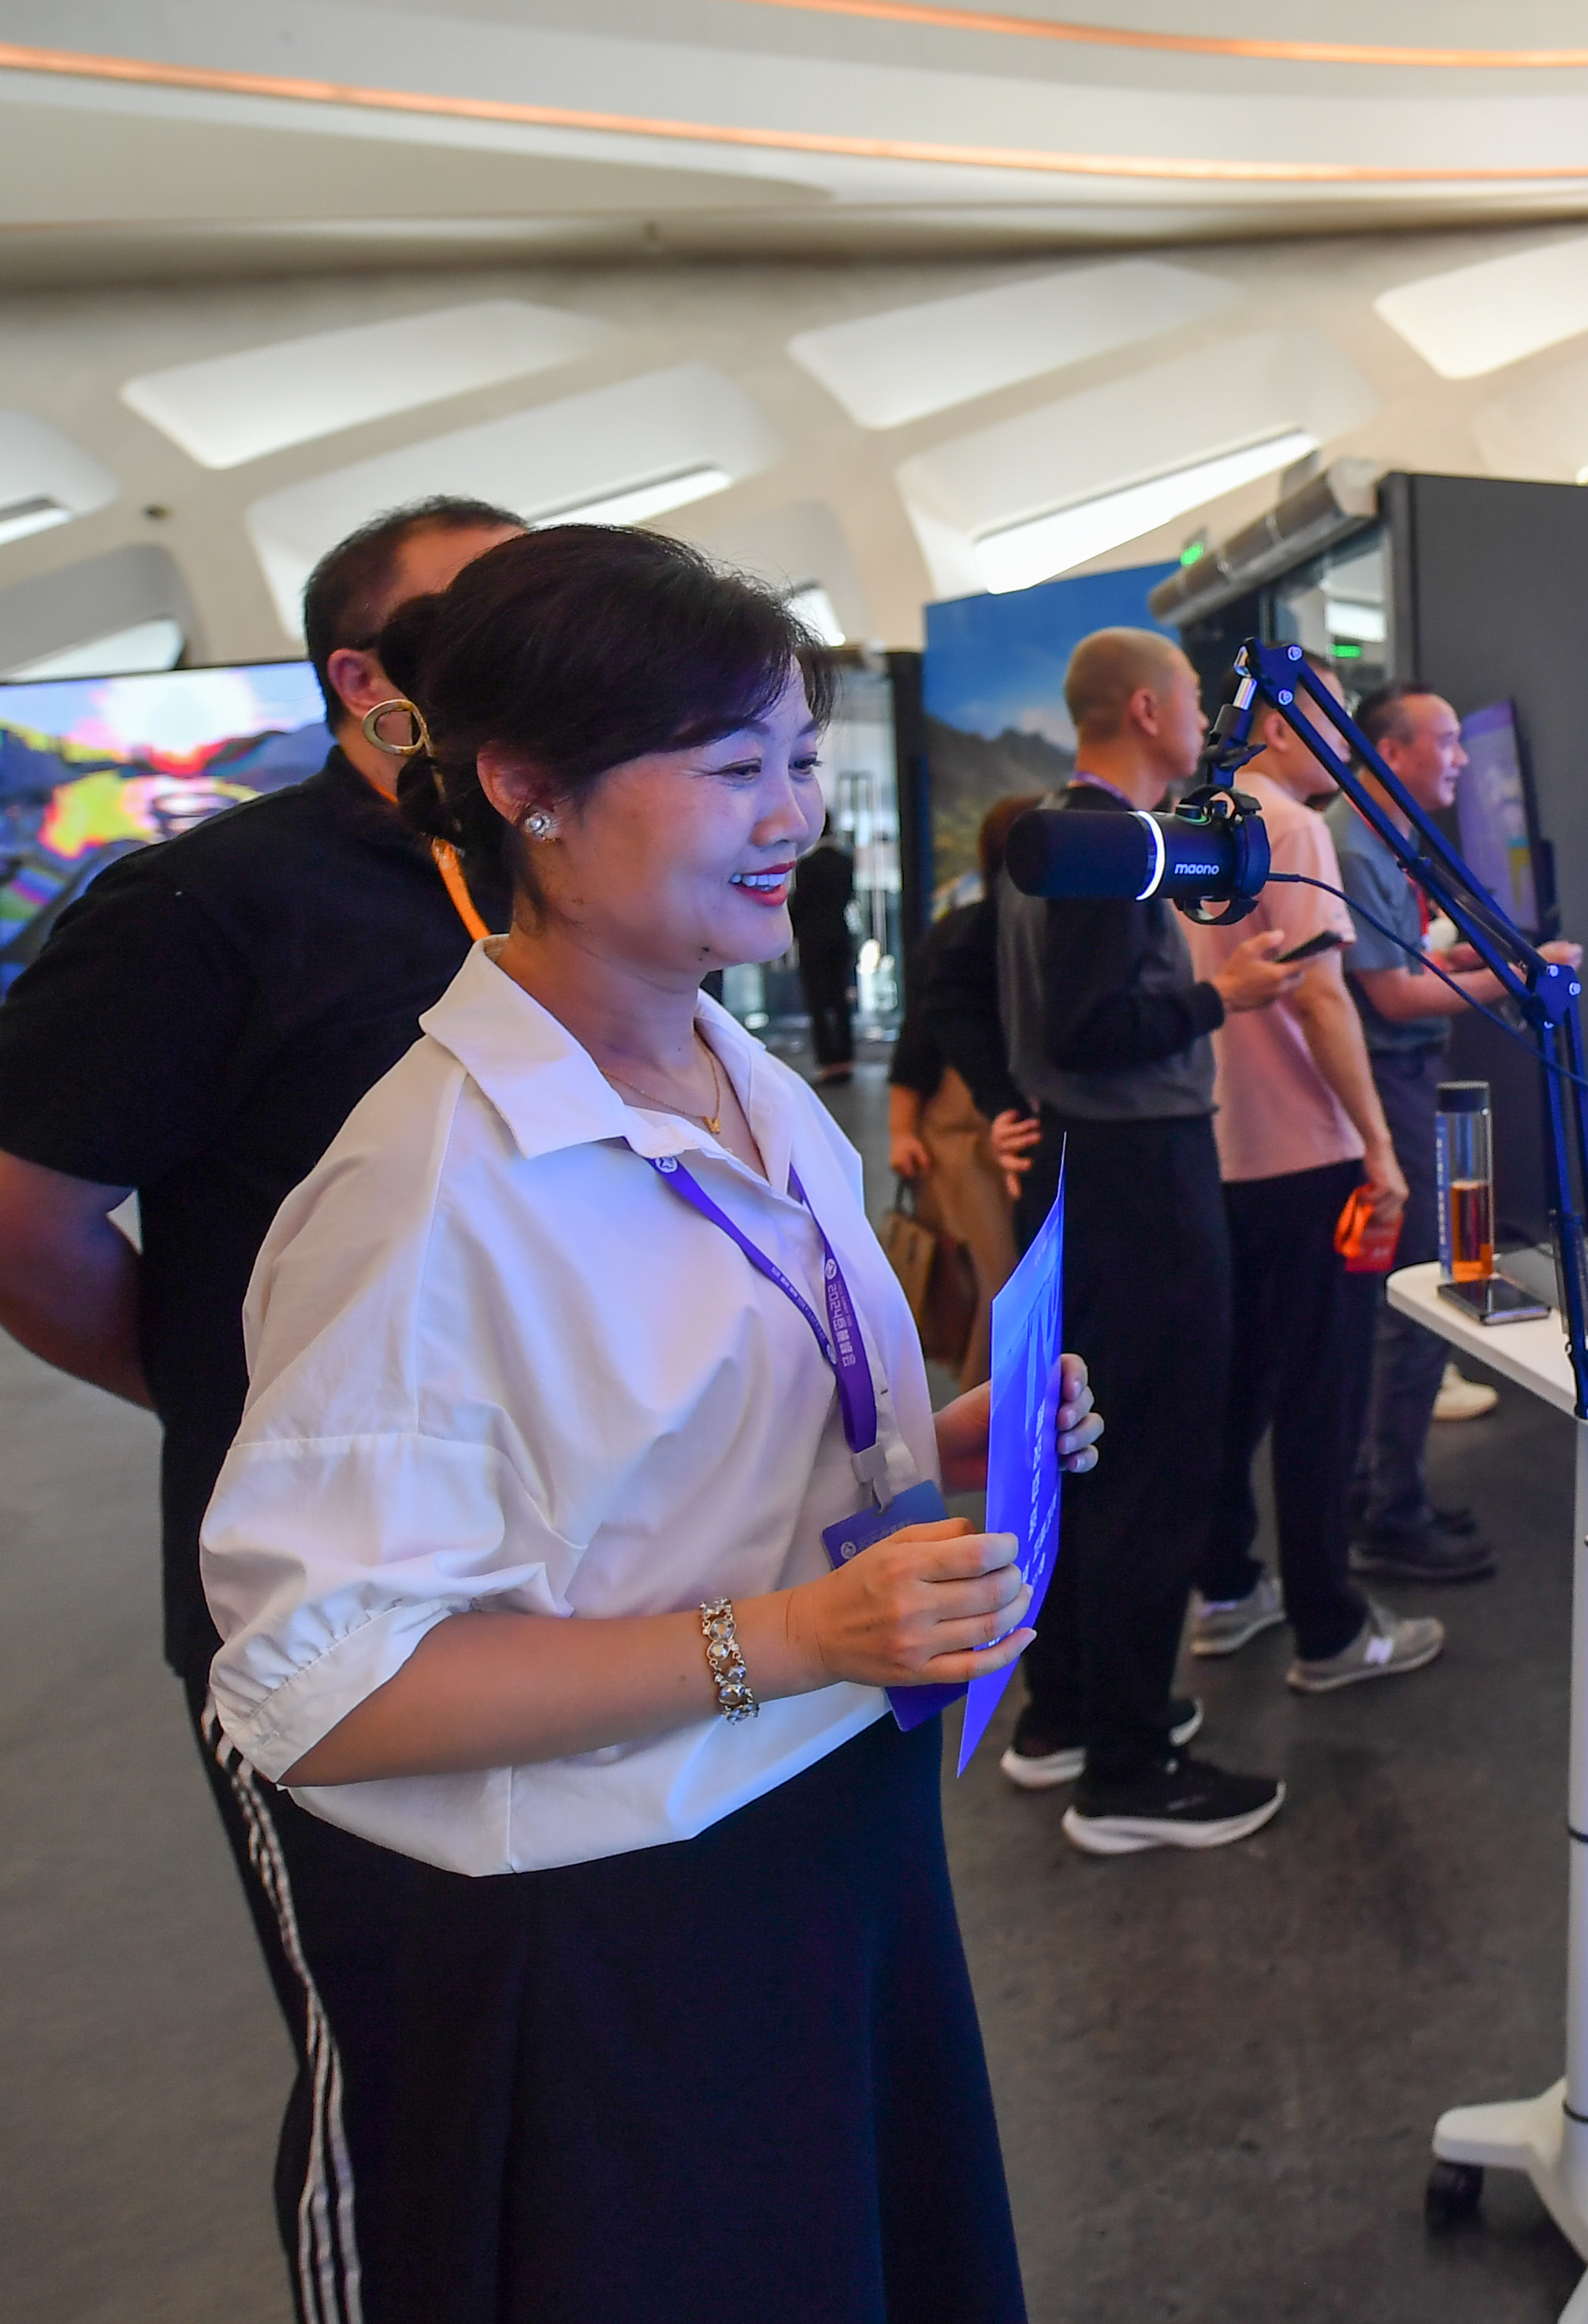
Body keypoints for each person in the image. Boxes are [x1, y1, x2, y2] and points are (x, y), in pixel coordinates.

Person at [197, 523, 1100, 2318]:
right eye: (731, 766)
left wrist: (940, 1437)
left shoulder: (729, 1062)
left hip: (833, 1829)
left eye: (798, 760)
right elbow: (324, 1690)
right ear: (526, 786)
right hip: (635, 1918)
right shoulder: (431, 1189)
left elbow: (685, 1443)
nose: (795, 816)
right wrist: (788, 1634)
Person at [0, 492, 519, 2319]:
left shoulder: (544, 880)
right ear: (368, 679)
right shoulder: (210, 902)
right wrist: (233, 1397)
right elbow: (28, 1216)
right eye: (481, 618)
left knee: (545, 2037)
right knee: (400, 2068)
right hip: (323, 1604)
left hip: (553, 1572)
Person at [993, 626, 1310, 1854]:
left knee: (1084, 1459)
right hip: (1139, 1176)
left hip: (1086, 1169)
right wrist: (1222, 995)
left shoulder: (1055, 833)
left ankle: (1073, 1714)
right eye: (1193, 699)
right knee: (1150, 1465)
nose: (1209, 723)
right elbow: (1091, 1024)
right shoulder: (1109, 847)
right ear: (1143, 709)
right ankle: (1129, 1772)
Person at [1179, 698, 1443, 1685]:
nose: (1345, 743)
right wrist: (1379, 1146)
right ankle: (1331, 1629)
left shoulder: (1201, 818)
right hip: (1307, 1151)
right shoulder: (1290, 826)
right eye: (1328, 722)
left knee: (1239, 1384)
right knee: (1322, 1398)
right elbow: (1322, 996)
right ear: (1283, 729)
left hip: (1223, 1148)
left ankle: (1226, 1589)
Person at [1330, 683, 1581, 1582]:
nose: (1461, 758)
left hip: (1403, 1077)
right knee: (1421, 1289)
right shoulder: (1354, 846)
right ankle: (1389, 1513)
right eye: (1444, 741)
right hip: (1390, 1080)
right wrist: (1522, 978)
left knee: (1417, 1288)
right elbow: (1393, 997)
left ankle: (1383, 1490)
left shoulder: (1379, 841)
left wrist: (1480, 957)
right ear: (1392, 752)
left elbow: (1400, 964)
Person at [888, 794, 1043, 1389]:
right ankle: (987, 1415)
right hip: (958, 1133)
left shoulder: (1024, 927)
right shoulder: (968, 932)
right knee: (999, 1276)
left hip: (1001, 1124)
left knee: (1007, 1276)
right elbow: (920, 1037)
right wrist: (901, 1130)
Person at [789, 832, 861, 1082]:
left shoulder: (808, 865)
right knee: (841, 998)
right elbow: (849, 896)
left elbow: (800, 902)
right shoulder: (844, 861)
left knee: (818, 1001)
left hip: (813, 939)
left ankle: (827, 1060)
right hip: (840, 935)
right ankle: (845, 1058)